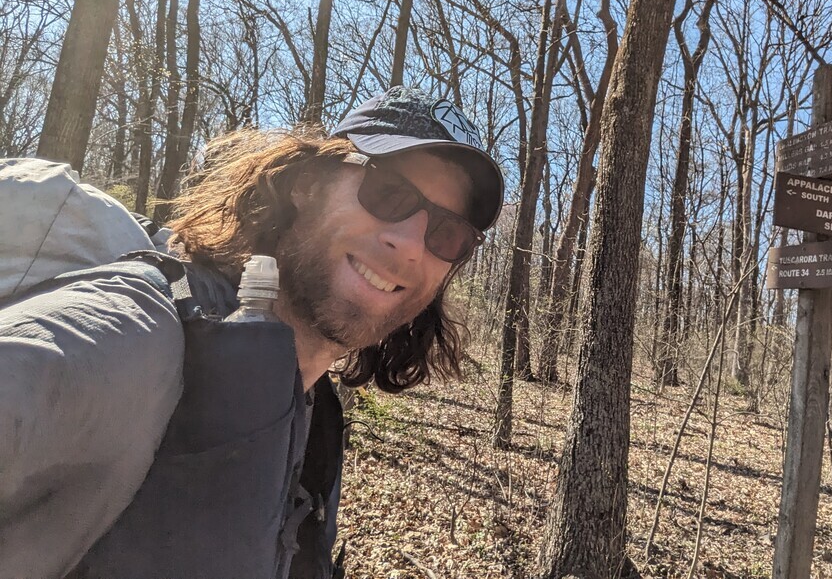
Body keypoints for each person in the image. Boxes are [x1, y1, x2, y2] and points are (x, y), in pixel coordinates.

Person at [0, 86, 504, 579]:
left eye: (448, 234)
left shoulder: (315, 411)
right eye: (389, 192)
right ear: (309, 184)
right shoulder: (143, 333)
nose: (412, 245)